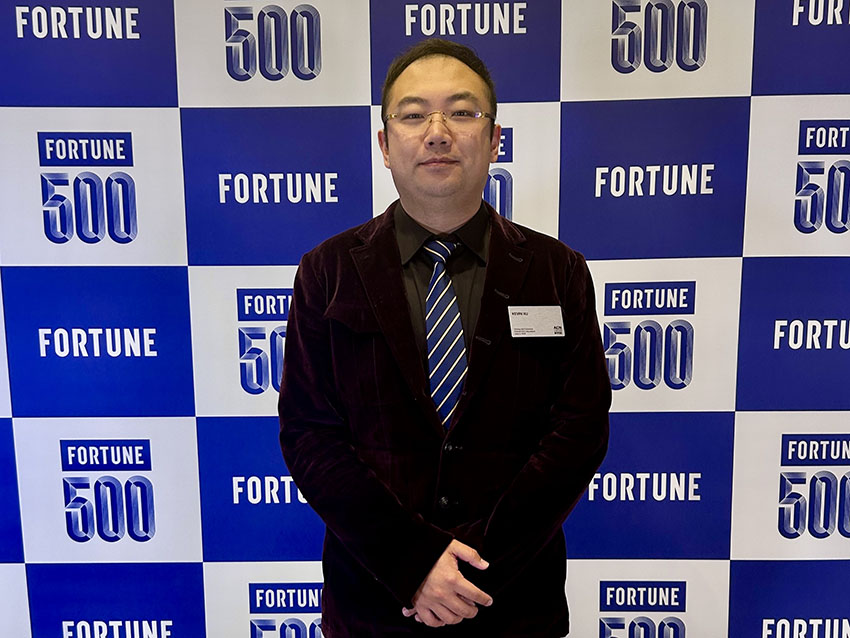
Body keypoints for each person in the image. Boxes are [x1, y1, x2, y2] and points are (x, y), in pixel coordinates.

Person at [279, 38, 610, 637]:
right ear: (385, 145)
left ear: (495, 139)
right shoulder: (327, 272)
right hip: (376, 605)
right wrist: (412, 565)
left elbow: (579, 431)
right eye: (413, 115)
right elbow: (310, 435)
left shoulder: (557, 271)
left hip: (513, 603)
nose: (437, 133)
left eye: (461, 112)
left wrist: (472, 571)